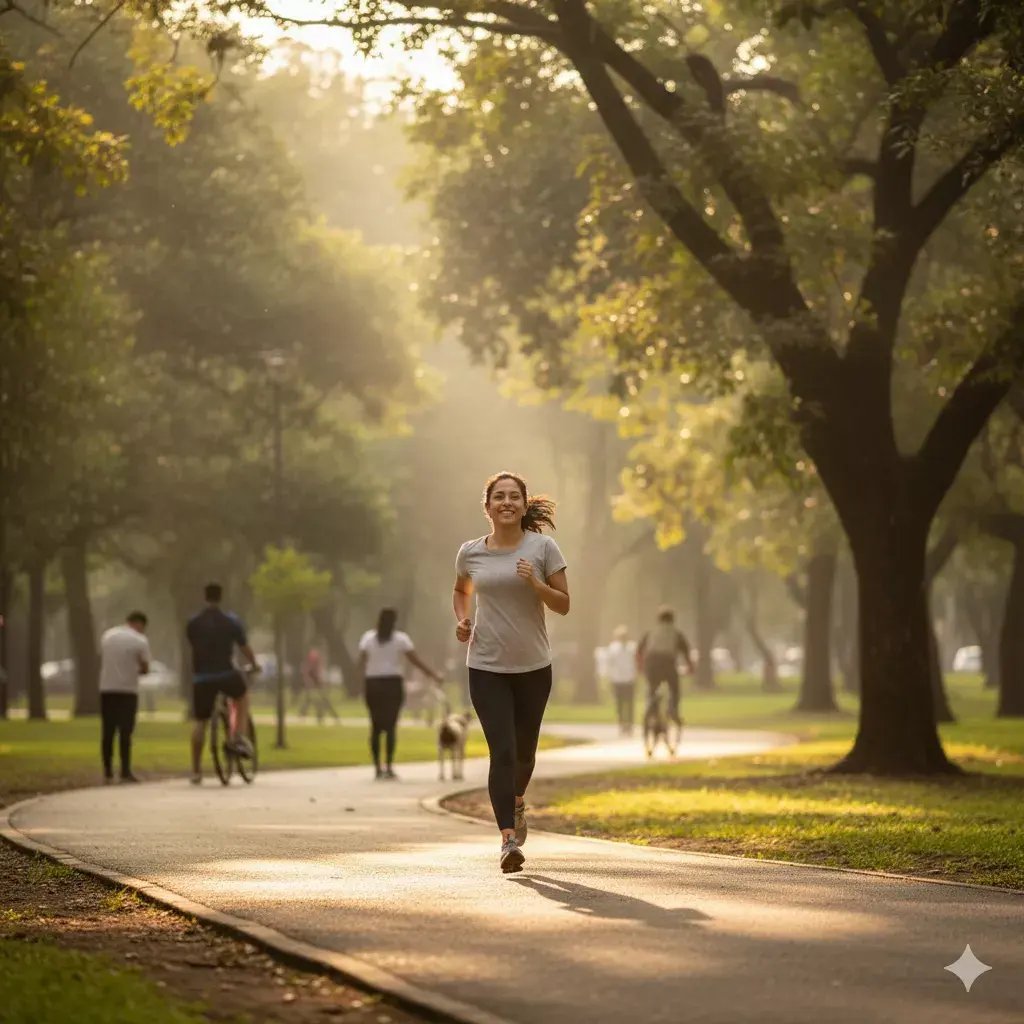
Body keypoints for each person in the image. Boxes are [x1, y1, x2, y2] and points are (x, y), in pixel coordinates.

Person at [453, 472, 570, 874]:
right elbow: (460, 590)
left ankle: (517, 801)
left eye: (513, 496)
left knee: (524, 754)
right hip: (485, 665)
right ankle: (507, 840)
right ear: (487, 507)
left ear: (523, 504)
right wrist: (462, 620)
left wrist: (535, 583)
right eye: (498, 497)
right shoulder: (470, 552)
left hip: (533, 666)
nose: (506, 502)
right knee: (501, 752)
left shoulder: (543, 547)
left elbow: (564, 604)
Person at [185, 582, 259, 785]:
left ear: (204, 597)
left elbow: (193, 644)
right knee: (242, 696)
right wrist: (254, 664)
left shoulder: (194, 623)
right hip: (226, 673)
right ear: (220, 597)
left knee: (201, 721)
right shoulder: (231, 621)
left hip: (201, 677)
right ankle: (239, 738)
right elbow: (244, 646)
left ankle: (196, 771)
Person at [358, 608, 443, 780]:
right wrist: (432, 674)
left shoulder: (368, 638)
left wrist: (360, 684)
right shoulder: (400, 639)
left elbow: (361, 662)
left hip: (373, 684)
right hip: (392, 684)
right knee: (390, 727)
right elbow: (415, 660)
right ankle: (388, 766)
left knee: (375, 727)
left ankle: (377, 768)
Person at [98, 611, 152, 783]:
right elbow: (145, 668)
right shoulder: (140, 640)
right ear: (140, 624)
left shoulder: (108, 636)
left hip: (107, 688)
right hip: (128, 690)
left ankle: (107, 771)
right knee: (125, 732)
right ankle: (125, 770)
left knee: (108, 731)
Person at [637, 606, 695, 732]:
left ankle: (650, 710)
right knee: (674, 689)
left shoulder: (650, 632)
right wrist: (690, 667)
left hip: (651, 664)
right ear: (672, 619)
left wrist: (640, 666)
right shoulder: (676, 633)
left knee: (651, 688)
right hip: (668, 663)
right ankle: (673, 709)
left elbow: (639, 650)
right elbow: (685, 651)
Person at [605, 625, 638, 736]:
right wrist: (609, 677)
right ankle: (622, 724)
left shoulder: (632, 647)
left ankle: (629, 724)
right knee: (620, 703)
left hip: (629, 679)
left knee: (629, 703)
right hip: (617, 679)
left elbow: (636, 662)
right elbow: (609, 664)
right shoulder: (613, 648)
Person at [296, 646, 340, 725]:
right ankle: (306, 715)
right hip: (313, 685)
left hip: (317, 684)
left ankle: (327, 716)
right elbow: (307, 675)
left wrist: (321, 683)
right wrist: (309, 683)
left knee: (322, 700)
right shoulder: (309, 666)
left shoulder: (316, 665)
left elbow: (317, 676)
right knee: (311, 700)